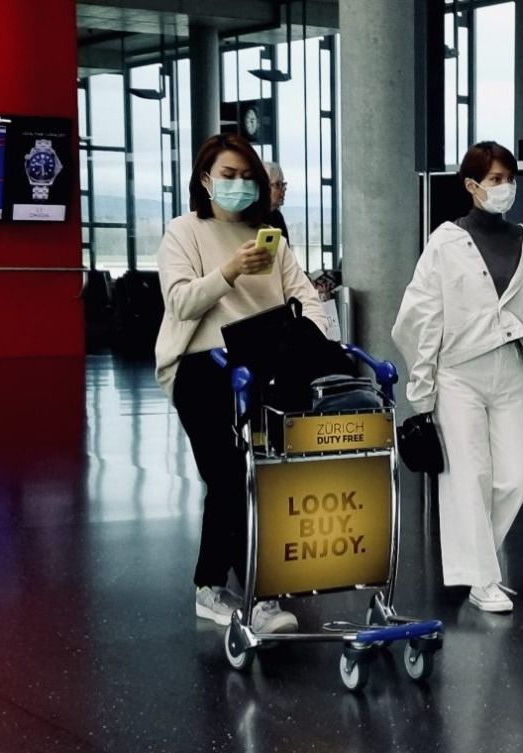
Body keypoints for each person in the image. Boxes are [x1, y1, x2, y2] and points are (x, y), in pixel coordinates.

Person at [155, 134, 328, 633]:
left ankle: (235, 583)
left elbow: (304, 295)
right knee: (230, 476)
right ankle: (238, 592)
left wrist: (312, 335)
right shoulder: (183, 233)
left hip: (264, 366)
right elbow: (182, 303)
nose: (238, 184)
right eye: (226, 175)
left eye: (246, 176)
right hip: (201, 366)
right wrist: (230, 271)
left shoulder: (269, 234)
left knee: (267, 478)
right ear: (205, 179)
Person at [391, 141, 523, 613]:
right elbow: (421, 316)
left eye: (509, 178)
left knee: (517, 474)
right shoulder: (445, 242)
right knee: (469, 475)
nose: (505, 187)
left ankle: (478, 561)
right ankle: (482, 577)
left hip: (511, 372)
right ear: (471, 186)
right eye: (494, 179)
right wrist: (422, 389)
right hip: (458, 374)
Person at [263, 161, 289, 243]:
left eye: (283, 184)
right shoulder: (251, 219)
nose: (284, 189)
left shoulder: (277, 217)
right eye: (278, 184)